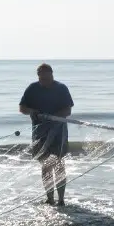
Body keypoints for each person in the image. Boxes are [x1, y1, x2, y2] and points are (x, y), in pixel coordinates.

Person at [19, 63, 74, 206]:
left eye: (47, 78)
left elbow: (67, 111)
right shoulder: (32, 88)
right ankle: (49, 199)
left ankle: (61, 200)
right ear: (38, 76)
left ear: (52, 75)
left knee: (59, 165)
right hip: (40, 133)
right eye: (42, 79)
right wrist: (32, 111)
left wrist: (53, 116)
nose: (45, 81)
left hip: (58, 132)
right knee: (45, 166)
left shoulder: (61, 88)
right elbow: (22, 108)